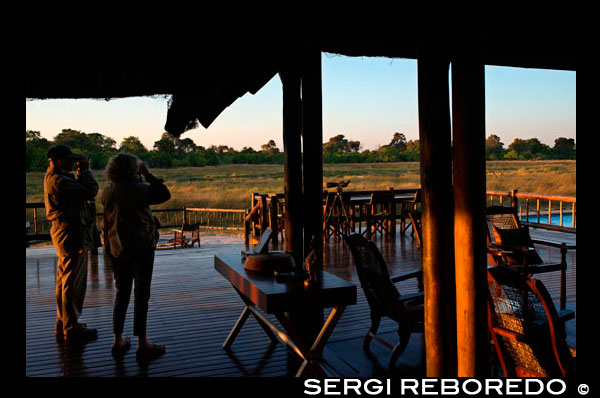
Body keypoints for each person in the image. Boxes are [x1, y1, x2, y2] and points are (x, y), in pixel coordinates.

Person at [101, 153, 171, 360]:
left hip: (116, 249)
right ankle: (142, 343)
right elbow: (164, 194)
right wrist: (148, 174)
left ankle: (118, 339)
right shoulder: (140, 190)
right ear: (134, 169)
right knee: (142, 294)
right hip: (141, 248)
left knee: (121, 294)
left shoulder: (107, 192)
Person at [44, 145, 99, 342]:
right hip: (71, 234)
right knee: (72, 282)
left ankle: (64, 323)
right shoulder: (58, 180)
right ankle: (71, 327)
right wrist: (85, 170)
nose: (73, 162)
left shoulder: (55, 178)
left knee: (65, 280)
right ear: (58, 161)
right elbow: (90, 191)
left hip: (66, 233)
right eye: (69, 159)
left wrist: (79, 171)